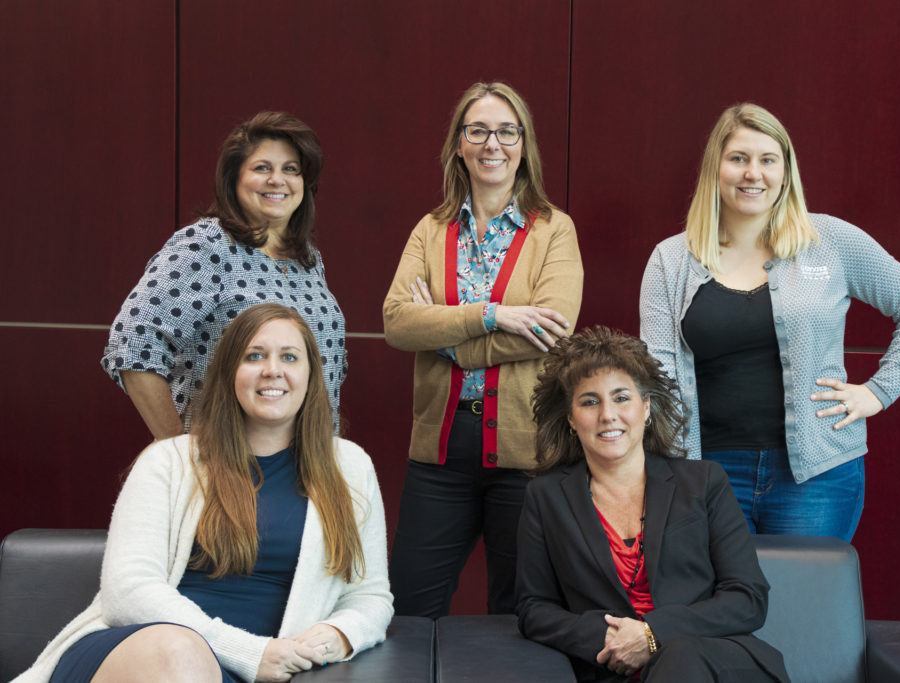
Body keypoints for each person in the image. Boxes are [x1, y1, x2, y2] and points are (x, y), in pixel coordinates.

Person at [17, 304, 392, 682]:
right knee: (181, 654)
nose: (272, 369)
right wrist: (246, 651)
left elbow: (370, 597)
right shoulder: (168, 461)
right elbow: (128, 590)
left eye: (290, 357)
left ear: (311, 376)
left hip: (268, 666)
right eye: (254, 356)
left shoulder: (350, 467)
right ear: (230, 373)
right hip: (143, 654)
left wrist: (336, 636)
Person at [639, 103, 900, 541]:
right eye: (738, 159)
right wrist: (670, 465)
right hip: (705, 472)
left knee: (804, 603)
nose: (753, 174)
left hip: (818, 474)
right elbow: (657, 373)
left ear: (786, 171)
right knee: (719, 607)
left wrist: (878, 392)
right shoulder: (671, 260)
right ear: (716, 169)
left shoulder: (829, 241)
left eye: (768, 160)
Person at [382, 81, 584, 618]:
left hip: (528, 455)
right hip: (439, 452)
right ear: (458, 145)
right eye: (478, 131)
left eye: (506, 131)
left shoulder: (554, 230)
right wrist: (492, 314)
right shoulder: (431, 231)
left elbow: (552, 330)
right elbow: (398, 323)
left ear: (524, 144)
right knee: (409, 607)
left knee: (518, 613)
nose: (492, 144)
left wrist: (449, 341)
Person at [517, 327, 788, 682]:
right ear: (571, 419)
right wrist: (610, 639)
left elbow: (747, 596)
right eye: (589, 401)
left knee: (681, 655)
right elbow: (533, 609)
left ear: (646, 408)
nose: (608, 415)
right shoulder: (546, 497)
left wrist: (651, 634)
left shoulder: (704, 481)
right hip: (609, 667)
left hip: (713, 661)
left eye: (621, 398)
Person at [101, 111, 347, 438]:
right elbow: (132, 344)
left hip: (310, 463)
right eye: (262, 168)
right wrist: (178, 451)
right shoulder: (207, 245)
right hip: (225, 465)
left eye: (291, 169)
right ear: (234, 178)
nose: (278, 180)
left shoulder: (308, 260)